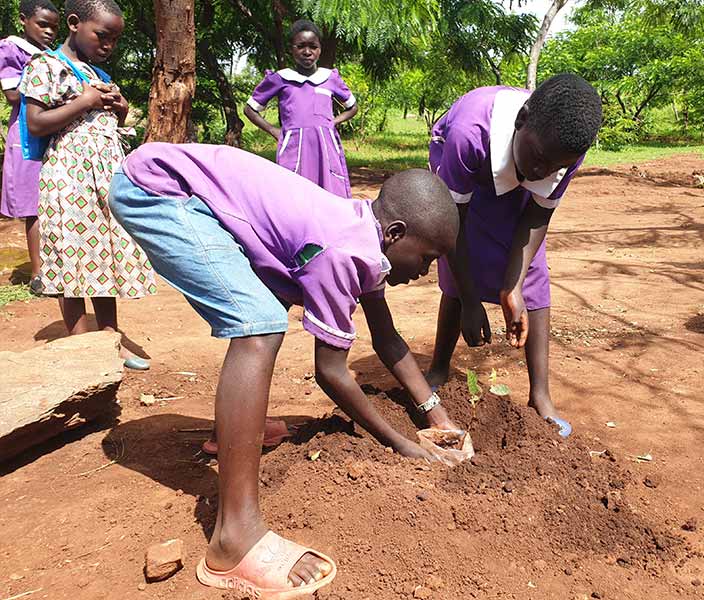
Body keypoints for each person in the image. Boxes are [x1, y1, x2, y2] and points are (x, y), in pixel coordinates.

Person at [109, 142, 461, 596]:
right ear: (395, 233)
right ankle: (234, 538)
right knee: (260, 324)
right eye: (428, 258)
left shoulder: (364, 233)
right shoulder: (343, 251)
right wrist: (400, 443)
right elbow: (330, 371)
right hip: (159, 191)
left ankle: (233, 433)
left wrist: (435, 414)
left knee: (266, 306)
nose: (426, 271)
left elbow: (386, 337)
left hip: (184, 187)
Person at [424, 74, 602, 438]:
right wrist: (470, 301)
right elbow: (453, 225)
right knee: (463, 257)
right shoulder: (469, 133)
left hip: (512, 161)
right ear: (522, 120)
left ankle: (541, 396)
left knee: (533, 272)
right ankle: (439, 369)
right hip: (466, 174)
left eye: (554, 167)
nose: (541, 172)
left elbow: (538, 215)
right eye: (539, 159)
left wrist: (513, 286)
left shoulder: (563, 149)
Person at [19, 0, 156, 369]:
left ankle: (111, 340)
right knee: (71, 254)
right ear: (74, 23)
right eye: (102, 36)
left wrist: (120, 108)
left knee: (102, 255)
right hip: (69, 176)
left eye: (115, 40)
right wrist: (86, 100)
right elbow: (36, 123)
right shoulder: (44, 66)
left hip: (104, 174)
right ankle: (81, 345)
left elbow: (111, 125)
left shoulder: (97, 73)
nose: (108, 45)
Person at [244, 19, 357, 198]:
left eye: (313, 46)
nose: (307, 52)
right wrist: (274, 130)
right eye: (300, 46)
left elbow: (352, 107)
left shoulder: (329, 78)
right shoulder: (281, 78)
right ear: (292, 49)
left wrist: (332, 123)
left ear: (320, 49)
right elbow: (250, 109)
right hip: (294, 146)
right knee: (294, 194)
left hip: (325, 146)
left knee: (329, 193)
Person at [0, 0, 59, 295]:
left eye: (54, 28)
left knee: (52, 200)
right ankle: (38, 274)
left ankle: (56, 268)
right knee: (33, 205)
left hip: (51, 129)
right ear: (24, 20)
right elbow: (12, 95)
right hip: (26, 133)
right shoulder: (12, 49)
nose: (49, 32)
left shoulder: (51, 54)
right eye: (43, 25)